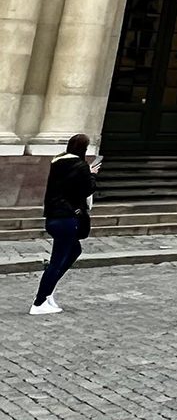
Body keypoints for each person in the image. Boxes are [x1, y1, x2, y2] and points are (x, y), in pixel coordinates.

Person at [30, 133, 98, 315]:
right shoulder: (81, 166)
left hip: (53, 217)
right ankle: (39, 302)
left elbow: (68, 186)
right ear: (84, 149)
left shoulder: (58, 162)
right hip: (67, 219)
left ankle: (48, 292)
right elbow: (87, 189)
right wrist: (91, 174)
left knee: (75, 250)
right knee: (56, 261)